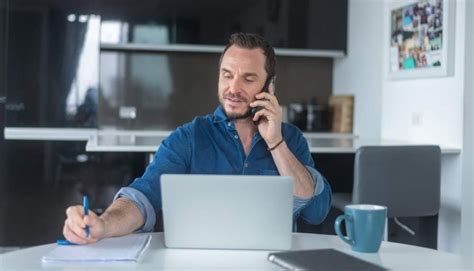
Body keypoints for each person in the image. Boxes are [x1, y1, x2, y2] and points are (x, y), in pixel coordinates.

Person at [63, 33, 332, 244]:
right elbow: (142, 198)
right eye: (227, 75)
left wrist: (276, 142)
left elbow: (316, 210)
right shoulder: (189, 138)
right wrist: (103, 224)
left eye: (248, 79)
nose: (233, 88)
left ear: (269, 87)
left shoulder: (291, 140)